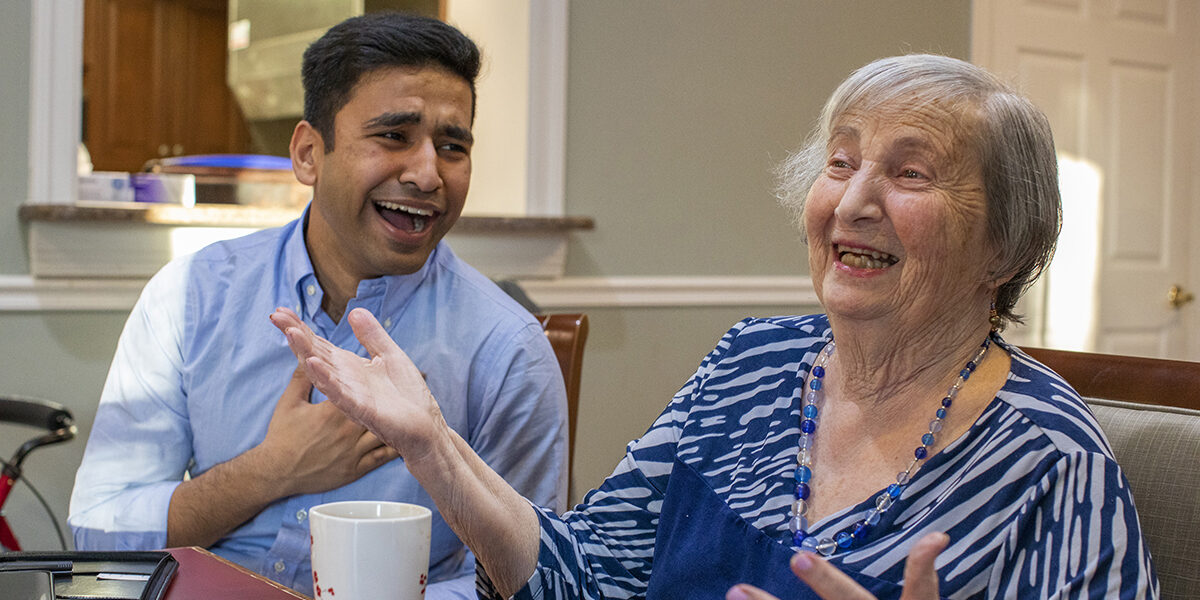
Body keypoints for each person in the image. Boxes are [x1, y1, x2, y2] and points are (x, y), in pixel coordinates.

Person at [270, 53, 1158, 599]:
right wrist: (433, 446)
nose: (853, 201)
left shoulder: (1053, 462)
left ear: (1005, 245)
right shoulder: (750, 363)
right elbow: (583, 578)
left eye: (912, 174)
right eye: (839, 162)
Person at [68, 13, 568, 599]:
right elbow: (98, 530)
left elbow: (533, 579)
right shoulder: (192, 297)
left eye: (452, 146)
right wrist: (274, 468)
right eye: (394, 135)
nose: (429, 173)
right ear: (309, 154)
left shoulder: (506, 349)